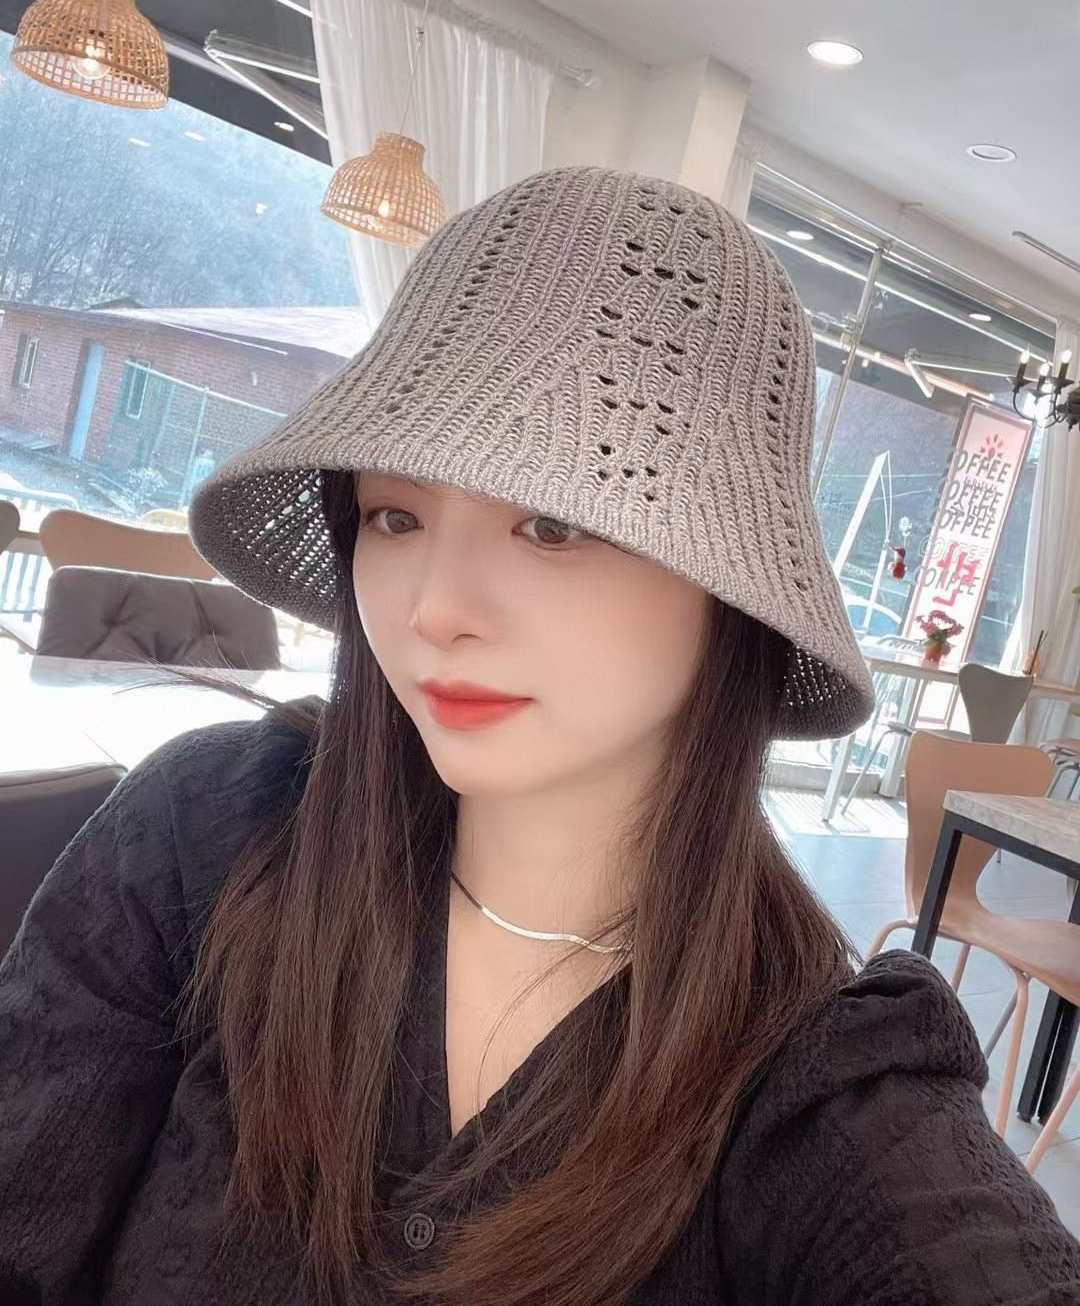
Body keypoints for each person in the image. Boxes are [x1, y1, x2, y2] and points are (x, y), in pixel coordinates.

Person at [1, 167, 1077, 1306]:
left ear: (732, 593)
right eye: (395, 515)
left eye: (552, 525)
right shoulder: (207, 836)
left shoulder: (819, 1080)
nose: (434, 609)